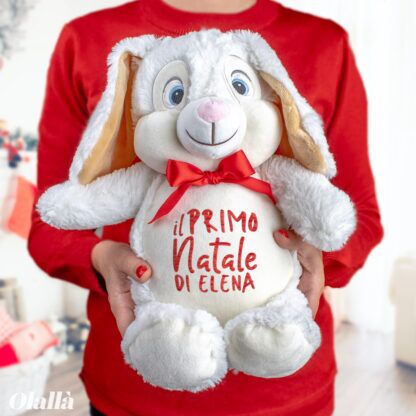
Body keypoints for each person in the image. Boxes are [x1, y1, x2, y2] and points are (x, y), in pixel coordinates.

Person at [28, 0, 383, 415]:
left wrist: (318, 256)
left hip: (286, 389)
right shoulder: (87, 40)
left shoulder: (324, 44)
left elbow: (359, 218)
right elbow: (50, 221)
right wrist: (100, 257)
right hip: (133, 385)